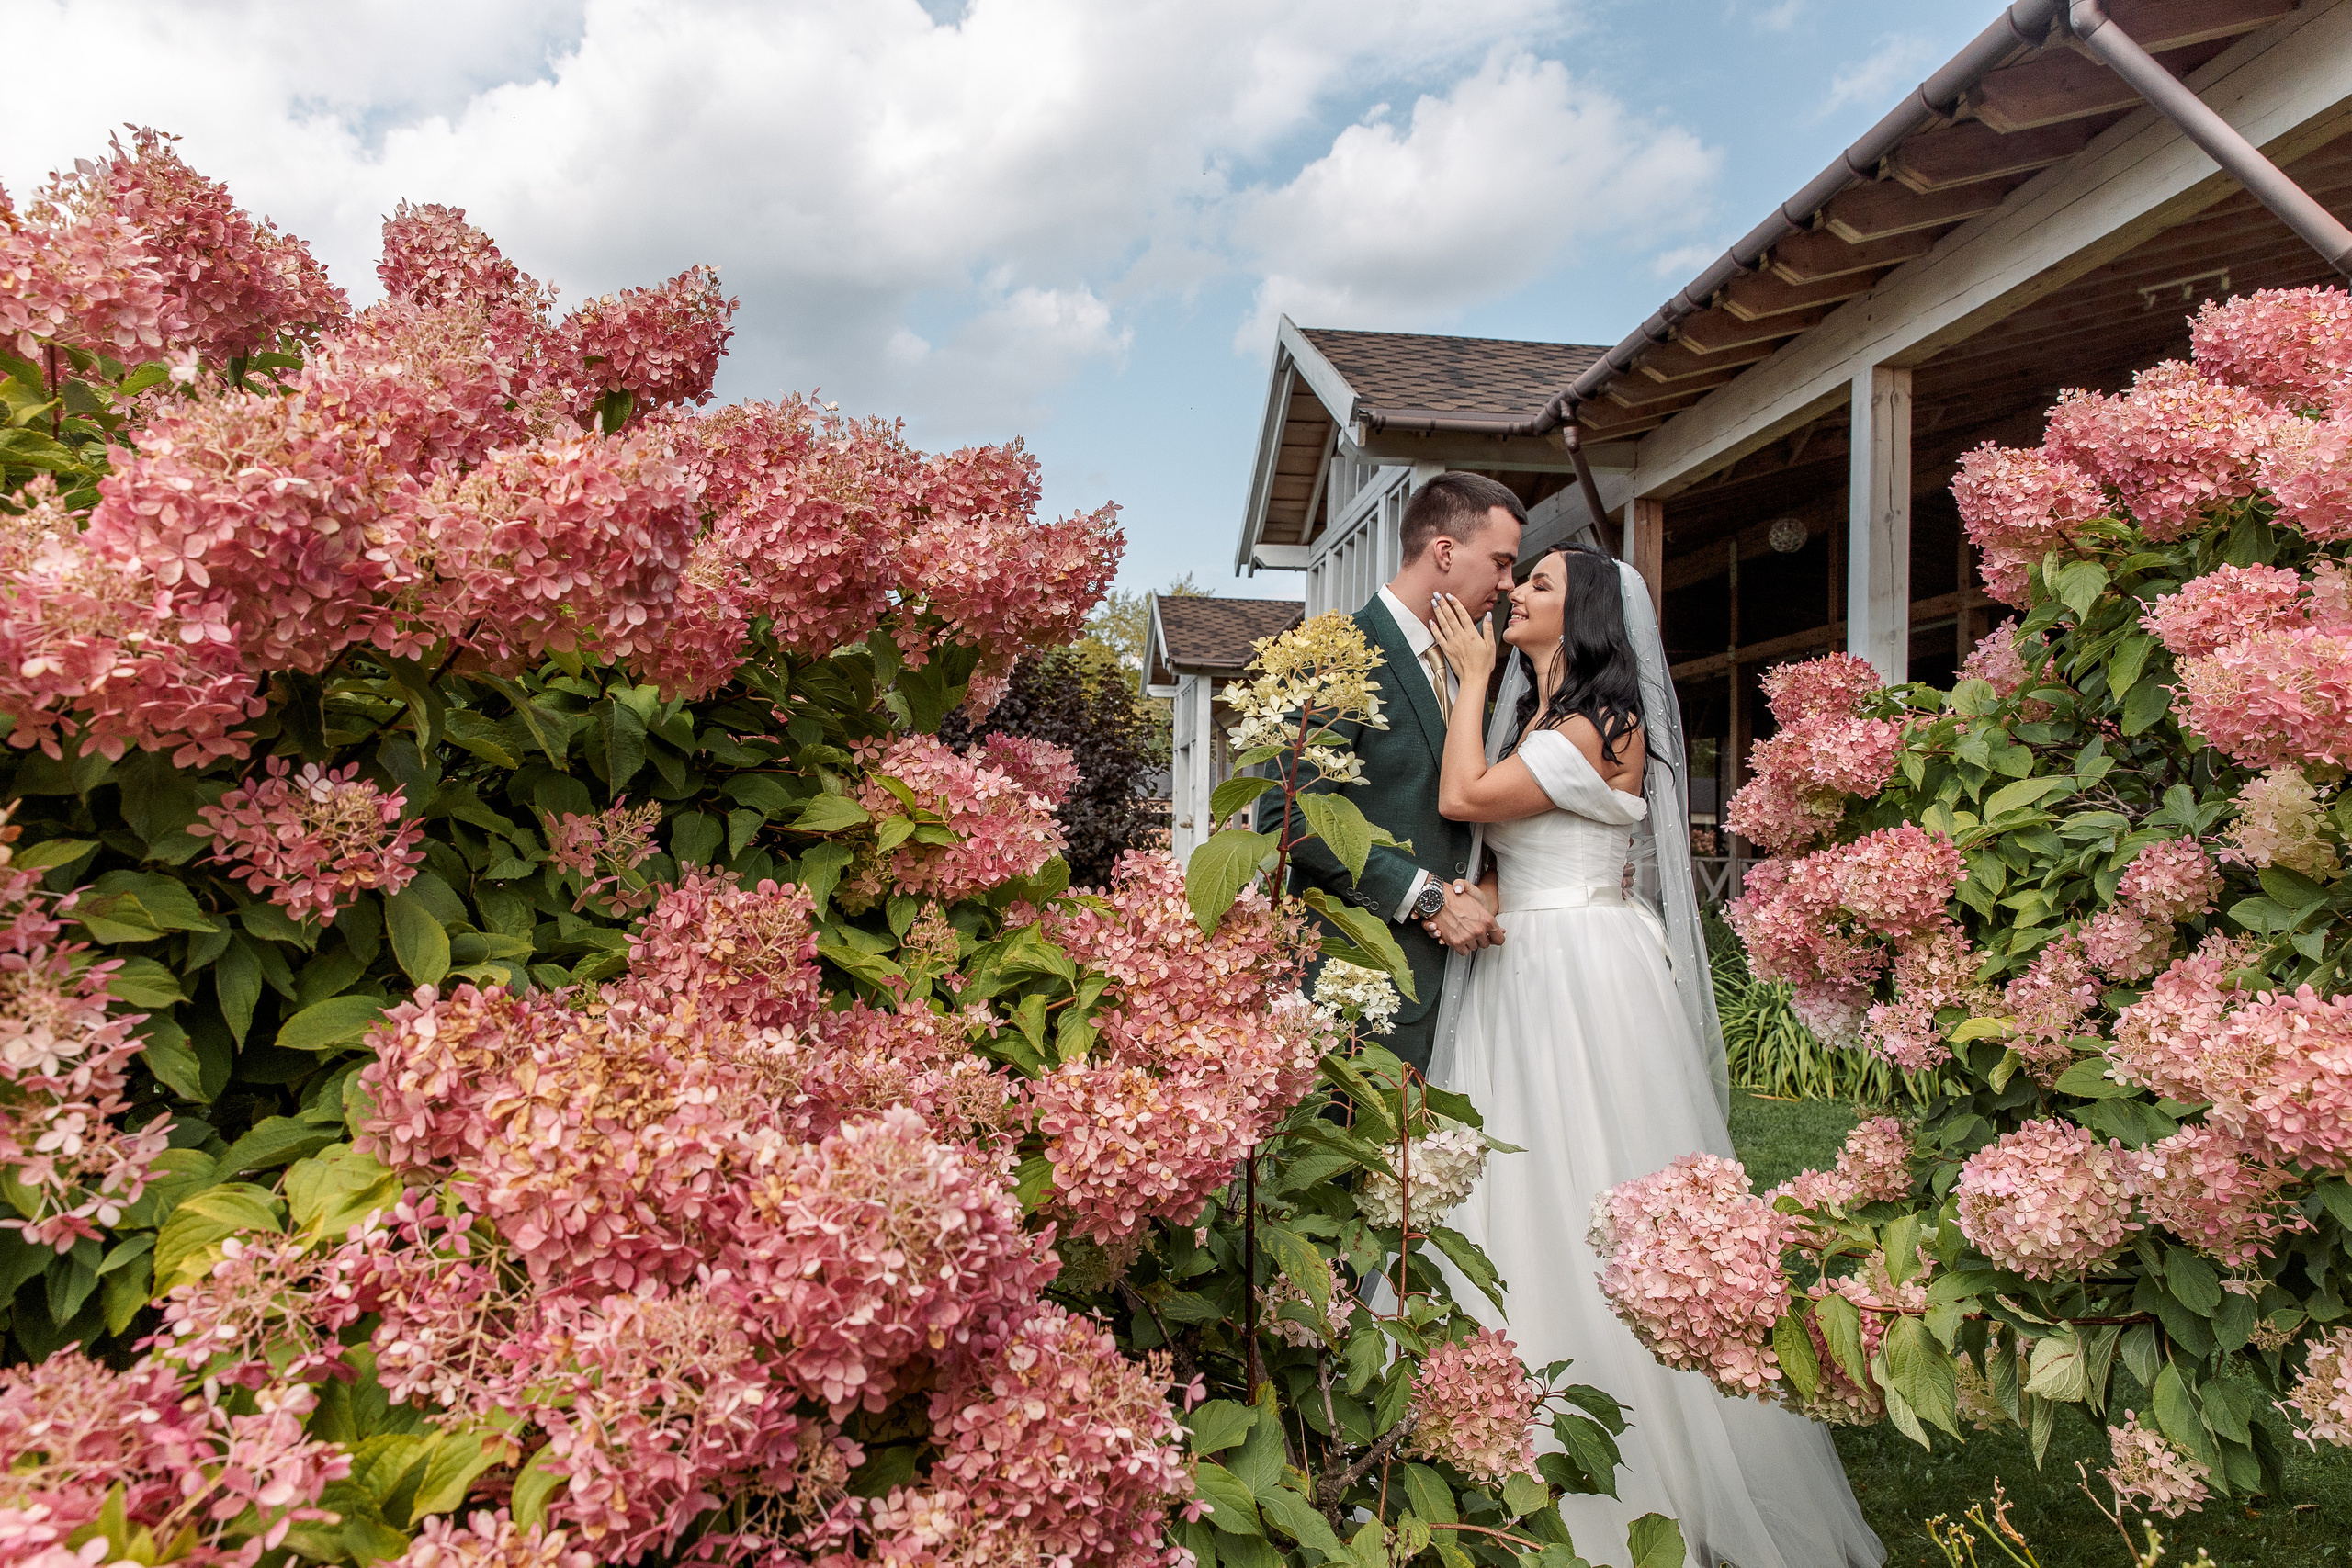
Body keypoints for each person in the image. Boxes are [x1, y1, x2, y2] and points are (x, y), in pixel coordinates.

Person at [1422, 543, 1884, 1568]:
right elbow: (1517, 853)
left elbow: (1465, 799)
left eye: (1538, 584)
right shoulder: (1550, 720)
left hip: (1577, 971)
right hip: (1532, 959)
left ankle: (1632, 1438)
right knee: (1522, 1174)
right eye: (1521, 579)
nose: (1515, 594)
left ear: (1580, 613)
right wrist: (1483, 902)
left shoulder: (1595, 723)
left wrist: (1467, 682)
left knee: (1595, 1168)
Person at [1276, 472, 1520, 1075]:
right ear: (1444, 551)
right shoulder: (1337, 652)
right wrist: (1429, 898)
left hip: (1467, 991)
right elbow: (1293, 817)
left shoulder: (1469, 667)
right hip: (1359, 994)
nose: (1509, 583)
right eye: (1502, 562)